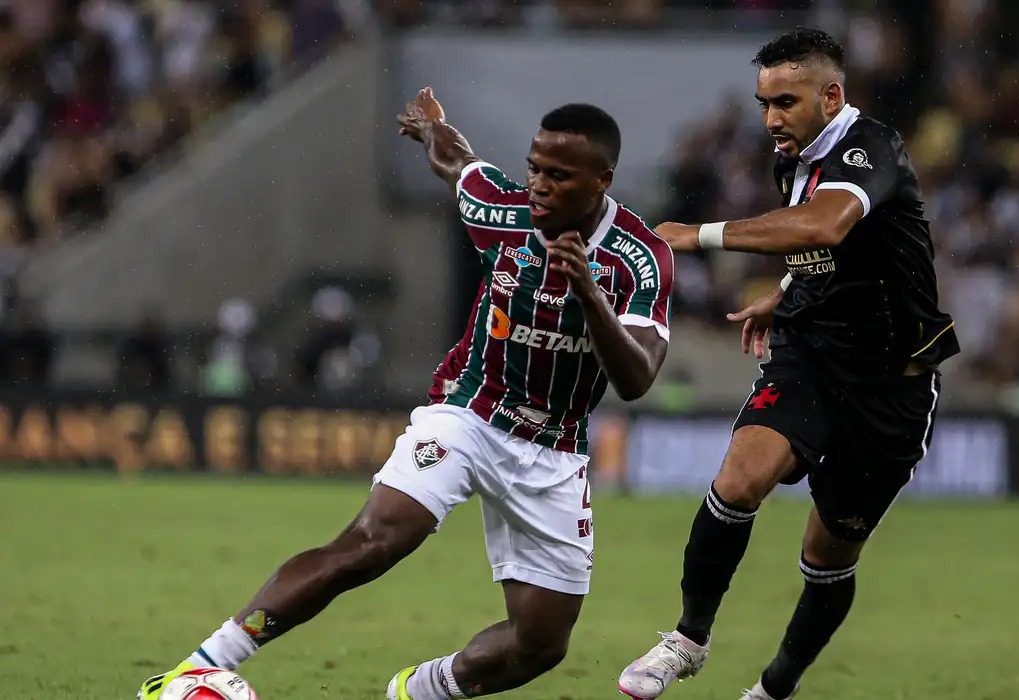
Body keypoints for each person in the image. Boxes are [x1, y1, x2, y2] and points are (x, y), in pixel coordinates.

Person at [138, 88, 674, 700]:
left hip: (554, 452)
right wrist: (430, 127)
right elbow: (459, 164)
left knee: (541, 644)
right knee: (376, 541)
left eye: (559, 175)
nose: (539, 185)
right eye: (534, 167)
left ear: (602, 180)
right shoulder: (506, 211)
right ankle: (203, 665)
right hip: (468, 414)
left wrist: (590, 297)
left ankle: (418, 692)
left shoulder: (640, 259)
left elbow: (637, 379)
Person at [617, 28, 959, 700]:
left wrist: (699, 235)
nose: (772, 118)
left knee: (827, 559)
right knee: (740, 480)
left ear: (831, 96)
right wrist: (787, 292)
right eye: (764, 102)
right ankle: (687, 640)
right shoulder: (793, 156)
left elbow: (825, 227)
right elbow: (833, 253)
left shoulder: (872, 150)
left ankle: (774, 689)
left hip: (892, 388)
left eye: (786, 102)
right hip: (810, 359)